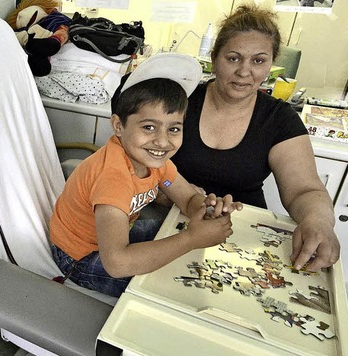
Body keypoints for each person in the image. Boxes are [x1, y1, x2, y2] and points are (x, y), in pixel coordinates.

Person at [49, 53, 243, 297]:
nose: (162, 141)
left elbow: (187, 199)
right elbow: (117, 263)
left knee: (169, 233)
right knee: (174, 286)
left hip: (114, 239)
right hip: (80, 259)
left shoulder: (156, 162)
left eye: (173, 129)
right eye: (149, 127)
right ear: (118, 125)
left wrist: (207, 211)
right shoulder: (113, 177)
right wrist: (192, 238)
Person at [171, 4, 340, 272]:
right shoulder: (179, 100)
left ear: (271, 65)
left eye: (258, 61)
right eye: (233, 58)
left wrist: (317, 220)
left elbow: (304, 190)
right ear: (214, 58)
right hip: (171, 225)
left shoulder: (278, 119)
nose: (244, 71)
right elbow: (138, 163)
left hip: (241, 240)